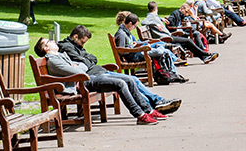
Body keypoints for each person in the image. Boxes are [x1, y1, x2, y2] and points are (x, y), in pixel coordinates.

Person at [35, 37, 165, 125]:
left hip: (86, 78)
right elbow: (80, 71)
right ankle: (139, 114)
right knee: (120, 83)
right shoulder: (53, 60)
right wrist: (79, 67)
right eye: (50, 41)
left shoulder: (59, 56)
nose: (53, 41)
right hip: (82, 84)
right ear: (46, 48)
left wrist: (79, 66)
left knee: (129, 79)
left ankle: (148, 110)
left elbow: (80, 65)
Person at [57, 25, 181, 114]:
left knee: (133, 79)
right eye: (83, 42)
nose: (83, 45)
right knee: (128, 80)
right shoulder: (67, 47)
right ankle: (153, 104)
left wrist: (86, 59)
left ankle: (157, 101)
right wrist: (87, 59)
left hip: (98, 71)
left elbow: (92, 58)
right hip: (93, 76)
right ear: (75, 36)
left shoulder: (76, 46)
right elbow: (86, 61)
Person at [144, 1, 218, 59]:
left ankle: (204, 57)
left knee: (188, 41)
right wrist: (155, 24)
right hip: (166, 38)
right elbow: (143, 22)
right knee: (188, 41)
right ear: (156, 8)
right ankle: (205, 55)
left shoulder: (154, 16)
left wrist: (160, 19)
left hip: (167, 36)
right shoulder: (151, 16)